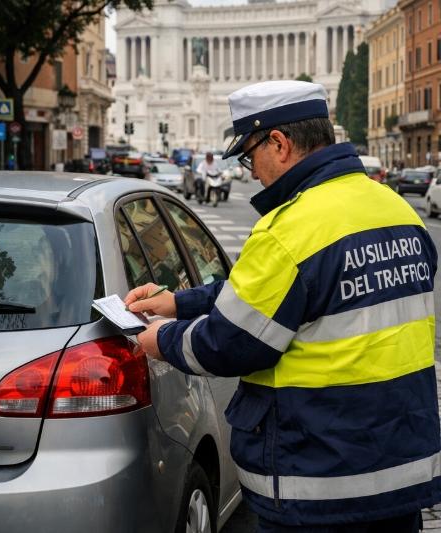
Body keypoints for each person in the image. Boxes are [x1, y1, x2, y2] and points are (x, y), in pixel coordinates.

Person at [126, 80, 439, 533]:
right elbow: (297, 294)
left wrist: (161, 339)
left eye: (251, 155)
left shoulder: (290, 229)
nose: (252, 171)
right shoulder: (398, 212)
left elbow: (230, 342)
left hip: (320, 481)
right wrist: (178, 301)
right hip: (403, 471)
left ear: (280, 143)